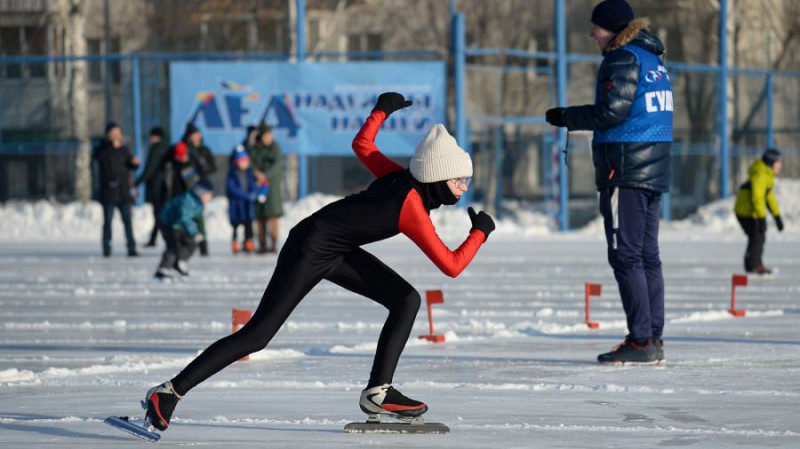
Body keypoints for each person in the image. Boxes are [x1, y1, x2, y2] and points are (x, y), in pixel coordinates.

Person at [141, 92, 496, 432]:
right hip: (309, 248)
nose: (464, 187)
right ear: (436, 175)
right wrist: (479, 233)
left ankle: (379, 392)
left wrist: (381, 111)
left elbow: (362, 146)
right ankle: (168, 393)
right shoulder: (411, 207)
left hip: (336, 249)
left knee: (406, 299)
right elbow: (451, 265)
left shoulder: (399, 177)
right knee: (257, 335)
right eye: (459, 179)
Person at [545, 0, 672, 364]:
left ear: (613, 29)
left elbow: (611, 112)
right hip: (652, 166)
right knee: (647, 255)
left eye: (596, 27)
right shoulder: (653, 60)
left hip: (625, 168)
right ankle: (653, 337)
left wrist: (566, 116)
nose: (591, 33)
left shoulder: (621, 58)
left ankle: (640, 340)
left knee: (626, 255)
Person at [93, 121, 141, 257]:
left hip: (123, 191)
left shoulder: (123, 149)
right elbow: (100, 160)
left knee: (128, 221)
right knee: (107, 221)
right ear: (108, 134)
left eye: (118, 133)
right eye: (113, 133)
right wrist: (112, 148)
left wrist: (135, 163)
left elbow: (130, 164)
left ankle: (131, 247)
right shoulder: (102, 148)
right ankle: (106, 248)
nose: (116, 136)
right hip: (109, 191)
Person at [734, 148, 784, 275]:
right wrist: (761, 218)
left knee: (757, 236)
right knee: (757, 236)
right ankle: (753, 265)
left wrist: (776, 216)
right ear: (771, 162)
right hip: (745, 211)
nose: (780, 165)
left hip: (750, 211)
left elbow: (769, 197)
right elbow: (757, 197)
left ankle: (752, 264)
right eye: (778, 162)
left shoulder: (767, 174)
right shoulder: (761, 174)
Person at [153, 179, 214, 281]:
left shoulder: (198, 203)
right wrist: (194, 233)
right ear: (201, 192)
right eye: (208, 195)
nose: (210, 197)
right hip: (168, 224)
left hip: (179, 226)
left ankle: (179, 263)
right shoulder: (187, 199)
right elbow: (184, 217)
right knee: (173, 247)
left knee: (191, 243)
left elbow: (198, 220)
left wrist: (201, 234)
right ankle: (162, 270)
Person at [183, 124, 216, 256]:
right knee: (185, 216)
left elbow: (213, 167)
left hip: (201, 188)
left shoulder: (204, 150)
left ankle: (203, 246)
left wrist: (203, 166)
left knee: (199, 217)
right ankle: (185, 245)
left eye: (198, 134)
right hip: (186, 188)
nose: (197, 137)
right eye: (194, 135)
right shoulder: (184, 148)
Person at [250, 122, 284, 254]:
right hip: (258, 185)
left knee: (272, 215)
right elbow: (250, 163)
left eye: (270, 135)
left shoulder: (276, 149)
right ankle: (262, 243)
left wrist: (265, 175)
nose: (268, 138)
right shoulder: (255, 149)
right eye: (266, 135)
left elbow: (277, 166)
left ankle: (274, 243)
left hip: (272, 187)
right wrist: (256, 173)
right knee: (260, 216)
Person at [135, 127, 171, 247]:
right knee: (160, 214)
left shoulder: (156, 150)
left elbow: (150, 169)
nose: (150, 138)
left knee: (159, 215)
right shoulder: (165, 148)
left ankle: (168, 240)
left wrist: (138, 181)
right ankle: (155, 239)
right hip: (164, 186)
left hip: (157, 186)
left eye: (152, 136)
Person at [226, 146, 258, 254]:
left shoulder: (249, 172)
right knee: (236, 225)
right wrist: (246, 195)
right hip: (237, 204)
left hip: (247, 205)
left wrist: (254, 192)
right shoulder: (232, 173)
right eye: (242, 161)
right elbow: (232, 188)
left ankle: (248, 242)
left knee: (248, 224)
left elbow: (253, 184)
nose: (244, 163)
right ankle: (235, 242)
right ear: (237, 161)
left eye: (246, 161)